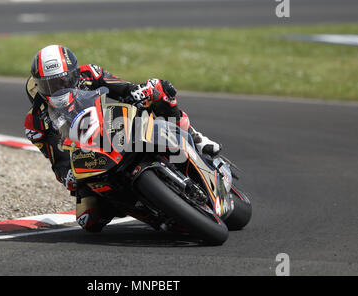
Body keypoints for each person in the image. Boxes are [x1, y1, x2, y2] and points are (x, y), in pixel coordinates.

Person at [24, 44, 221, 232]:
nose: (59, 88)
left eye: (63, 80)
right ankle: (151, 211)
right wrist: (66, 174)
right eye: (49, 84)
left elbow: (124, 89)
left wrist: (141, 91)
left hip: (114, 129)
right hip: (87, 155)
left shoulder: (90, 74)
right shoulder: (35, 122)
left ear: (74, 73)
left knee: (159, 92)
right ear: (38, 85)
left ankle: (195, 138)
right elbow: (56, 160)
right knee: (89, 220)